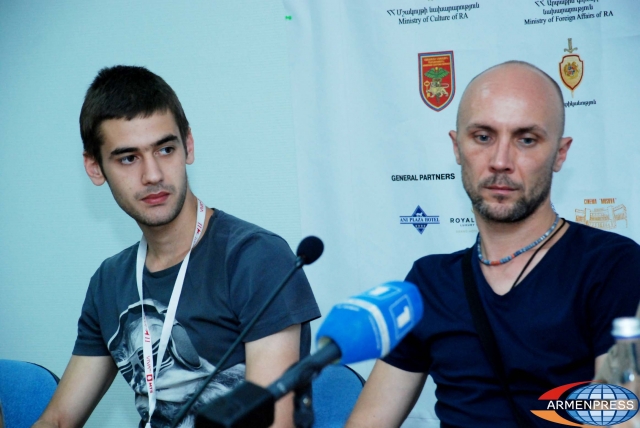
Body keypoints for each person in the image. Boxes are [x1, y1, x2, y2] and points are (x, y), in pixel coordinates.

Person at [346, 61, 640, 427]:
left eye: (526, 139)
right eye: (483, 137)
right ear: (457, 147)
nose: (501, 161)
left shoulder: (612, 267)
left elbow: (620, 418)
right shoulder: (429, 282)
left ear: (560, 153)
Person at [34, 66, 320, 428]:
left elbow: (274, 423)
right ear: (95, 168)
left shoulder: (256, 258)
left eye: (165, 149)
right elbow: (59, 419)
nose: (153, 175)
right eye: (128, 158)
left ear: (189, 145)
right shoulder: (109, 281)